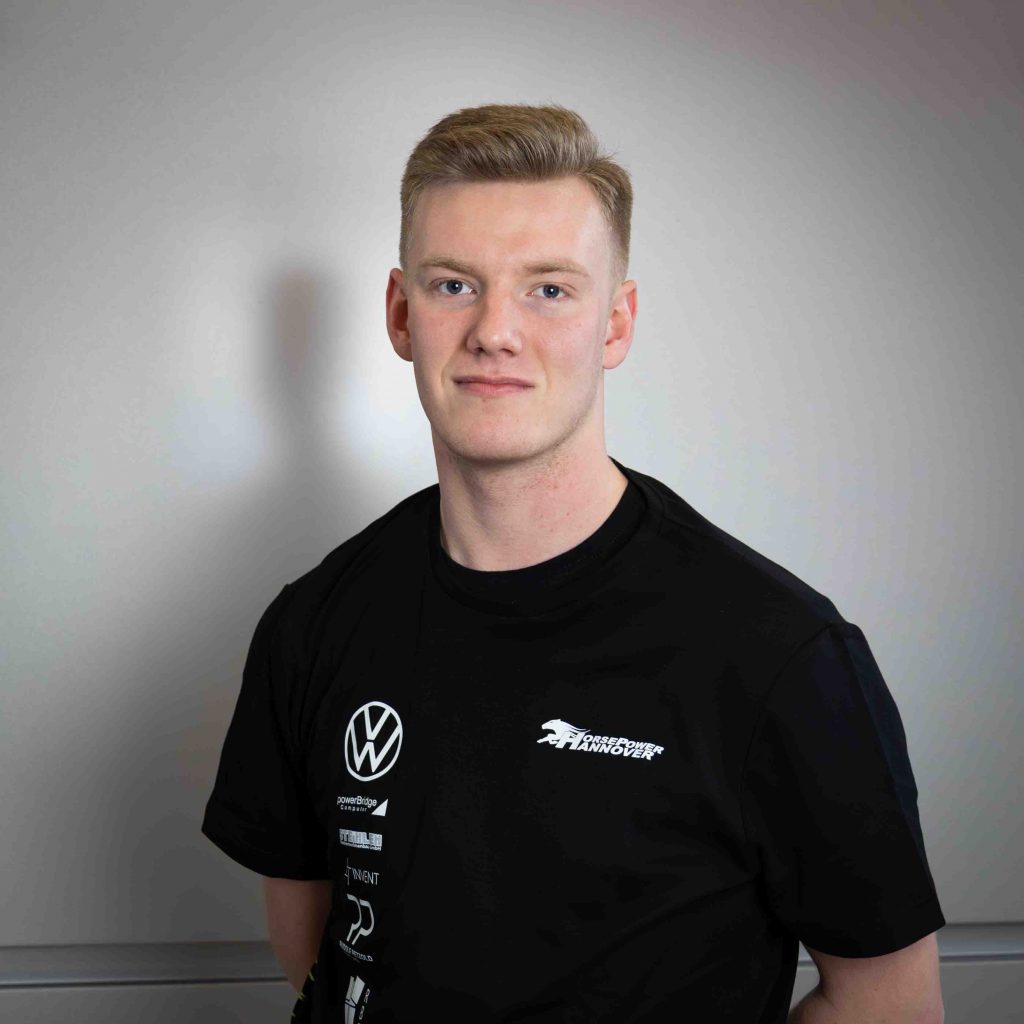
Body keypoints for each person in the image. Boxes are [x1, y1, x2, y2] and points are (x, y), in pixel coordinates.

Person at [202, 103, 946, 1023]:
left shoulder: (779, 655)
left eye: (549, 289)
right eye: (453, 285)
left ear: (616, 323)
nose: (495, 331)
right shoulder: (313, 622)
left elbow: (889, 1004)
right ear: (400, 314)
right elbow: (316, 950)